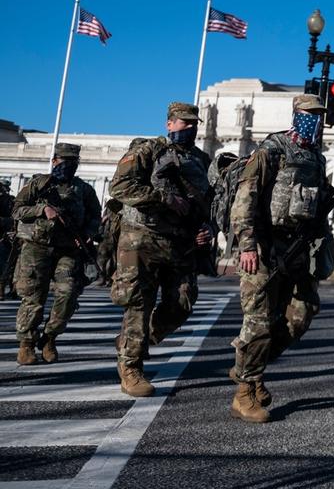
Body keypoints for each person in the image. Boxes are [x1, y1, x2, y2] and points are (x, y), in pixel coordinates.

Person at [229, 94, 334, 423]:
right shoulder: (271, 151)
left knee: (301, 313)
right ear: (296, 114)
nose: (314, 120)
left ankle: (248, 366)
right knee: (259, 321)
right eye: (308, 114)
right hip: (263, 247)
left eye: (319, 115)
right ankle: (245, 390)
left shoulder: (316, 159)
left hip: (298, 248)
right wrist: (247, 244)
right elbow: (245, 200)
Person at [109, 103, 213, 396]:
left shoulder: (201, 160)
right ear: (169, 124)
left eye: (193, 124)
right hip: (141, 238)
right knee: (138, 303)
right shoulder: (147, 150)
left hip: (180, 243)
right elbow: (120, 187)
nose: (189, 128)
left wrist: (207, 229)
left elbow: (209, 204)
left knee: (182, 302)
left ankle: (134, 340)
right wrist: (164, 199)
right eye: (183, 123)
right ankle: (131, 367)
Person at [11, 143, 101, 364]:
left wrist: (89, 233)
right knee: (33, 296)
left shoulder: (84, 189)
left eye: (73, 163)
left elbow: (95, 215)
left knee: (68, 293)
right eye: (64, 161)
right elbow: (17, 210)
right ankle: (27, 344)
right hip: (36, 246)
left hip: (68, 249)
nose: (68, 166)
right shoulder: (38, 184)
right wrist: (42, 210)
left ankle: (50, 337)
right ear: (54, 161)